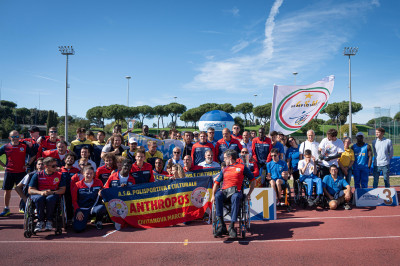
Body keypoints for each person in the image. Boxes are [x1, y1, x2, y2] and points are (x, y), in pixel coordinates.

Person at [211, 149, 255, 238]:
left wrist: (249, 193)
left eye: (225, 158)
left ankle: (231, 226)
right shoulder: (224, 169)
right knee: (218, 195)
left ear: (230, 158)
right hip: (224, 192)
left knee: (235, 197)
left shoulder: (242, 167)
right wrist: (212, 196)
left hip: (236, 192)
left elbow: (253, 180)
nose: (224, 160)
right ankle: (222, 225)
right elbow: (216, 183)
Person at [28, 157, 66, 232]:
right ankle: (40, 221)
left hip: (53, 193)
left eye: (56, 165)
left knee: (50, 199)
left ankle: (49, 221)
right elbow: (30, 190)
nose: (56, 167)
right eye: (53, 166)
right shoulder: (37, 175)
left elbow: (62, 190)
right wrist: (40, 192)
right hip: (39, 193)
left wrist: (52, 192)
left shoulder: (60, 175)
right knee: (39, 199)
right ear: (46, 166)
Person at [0, 130, 30, 216]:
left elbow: (33, 155)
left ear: (19, 137)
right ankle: (6, 208)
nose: (15, 138)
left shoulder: (24, 146)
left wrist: (27, 164)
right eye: (13, 137)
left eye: (17, 136)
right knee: (7, 190)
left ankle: (23, 207)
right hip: (9, 172)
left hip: (21, 172)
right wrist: (3, 165)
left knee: (22, 190)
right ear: (10, 138)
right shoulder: (5, 147)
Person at [72, 166, 107, 232]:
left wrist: (101, 192)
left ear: (93, 174)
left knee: (102, 208)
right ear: (83, 174)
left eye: (91, 173)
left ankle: (98, 221)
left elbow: (103, 191)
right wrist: (78, 211)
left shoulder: (98, 182)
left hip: (94, 207)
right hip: (82, 209)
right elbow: (74, 200)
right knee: (78, 229)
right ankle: (81, 219)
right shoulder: (77, 185)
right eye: (87, 173)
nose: (89, 175)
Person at [59, 153, 80, 219]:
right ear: (65, 160)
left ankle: (72, 217)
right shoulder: (59, 170)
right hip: (62, 191)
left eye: (72, 159)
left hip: (73, 191)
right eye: (68, 158)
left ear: (74, 161)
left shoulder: (77, 171)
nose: (70, 160)